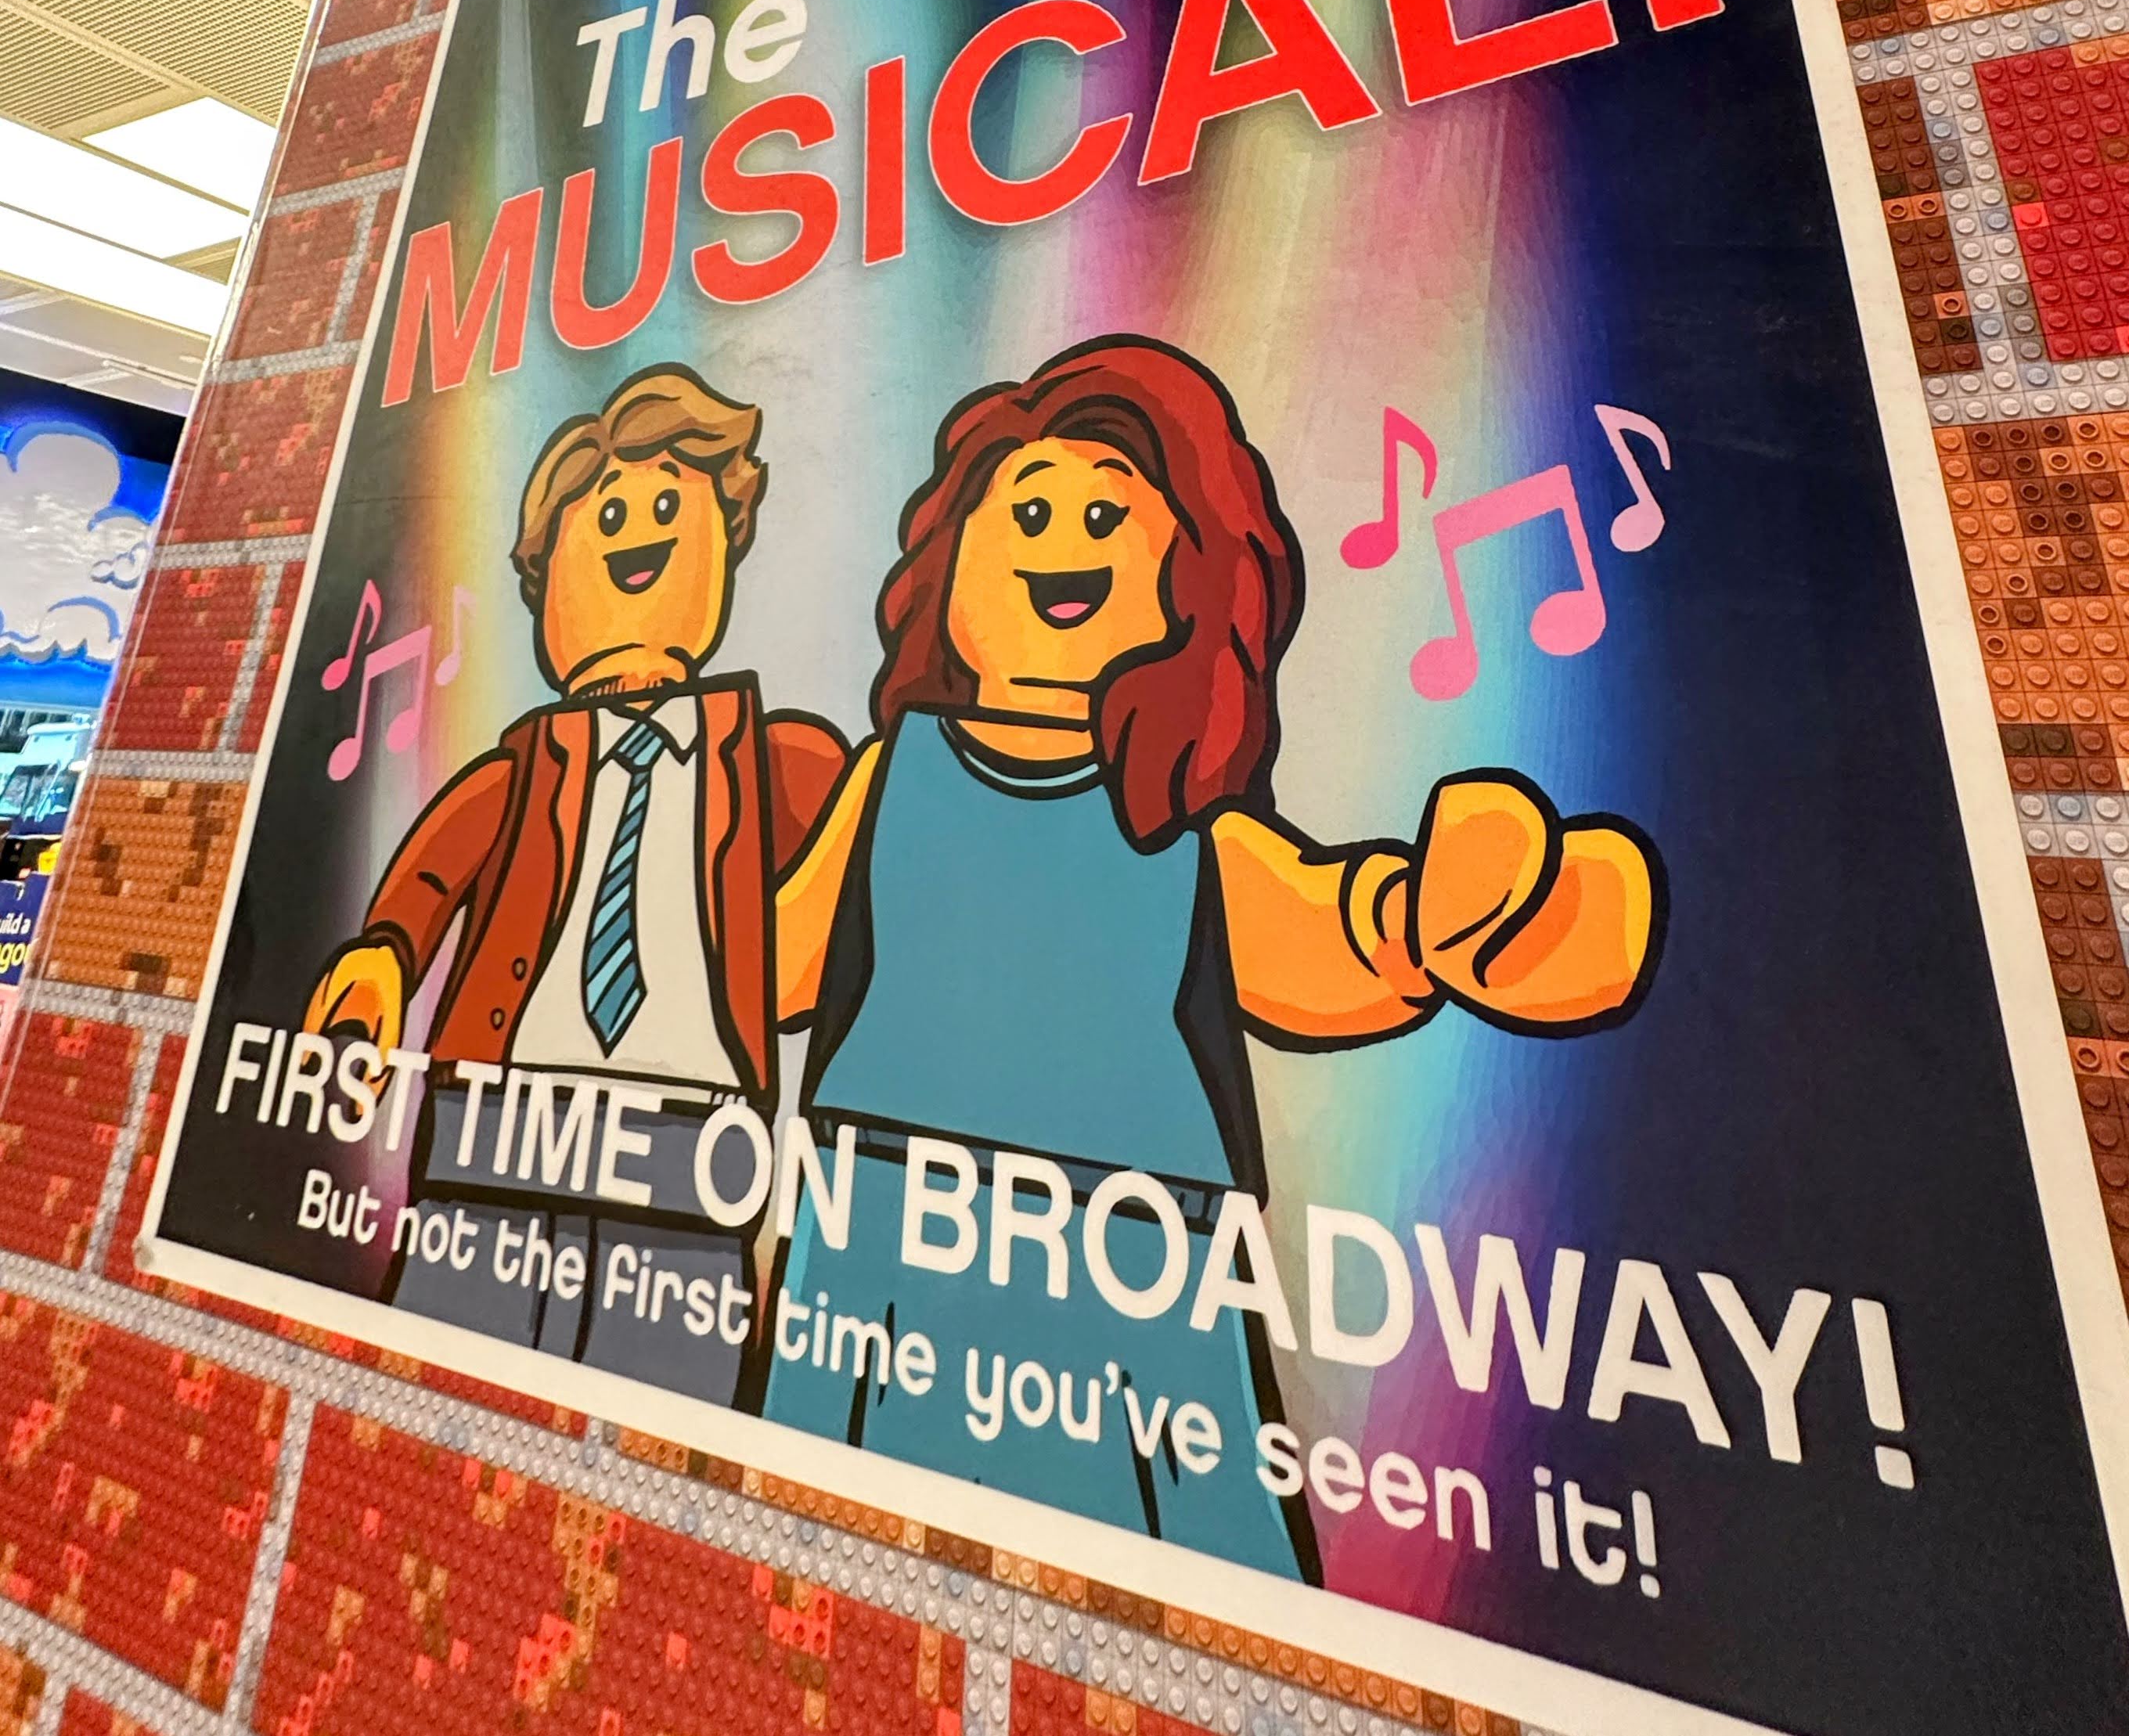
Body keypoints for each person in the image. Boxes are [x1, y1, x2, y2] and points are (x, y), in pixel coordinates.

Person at [766, 337, 1660, 1575]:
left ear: (1192, 579)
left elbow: (1350, 938)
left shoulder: (1186, 835)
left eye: (1106, 514)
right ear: (949, 568)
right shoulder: (886, 780)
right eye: (1025, 509)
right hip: (871, 1231)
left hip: (1135, 1267)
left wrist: (1468, 914)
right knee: (812, 1559)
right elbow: (764, 968)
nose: (1061, 541)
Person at [304, 362, 846, 1402]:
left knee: (667, 1401)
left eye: (668, 508)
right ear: (543, 580)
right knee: (439, 1383)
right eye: (602, 516)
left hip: (694, 1152)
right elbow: (437, 862)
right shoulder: (522, 767)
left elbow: (860, 855)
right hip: (492, 1129)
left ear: (726, 543)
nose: (635, 532)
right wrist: (385, 953)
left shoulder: (774, 757)